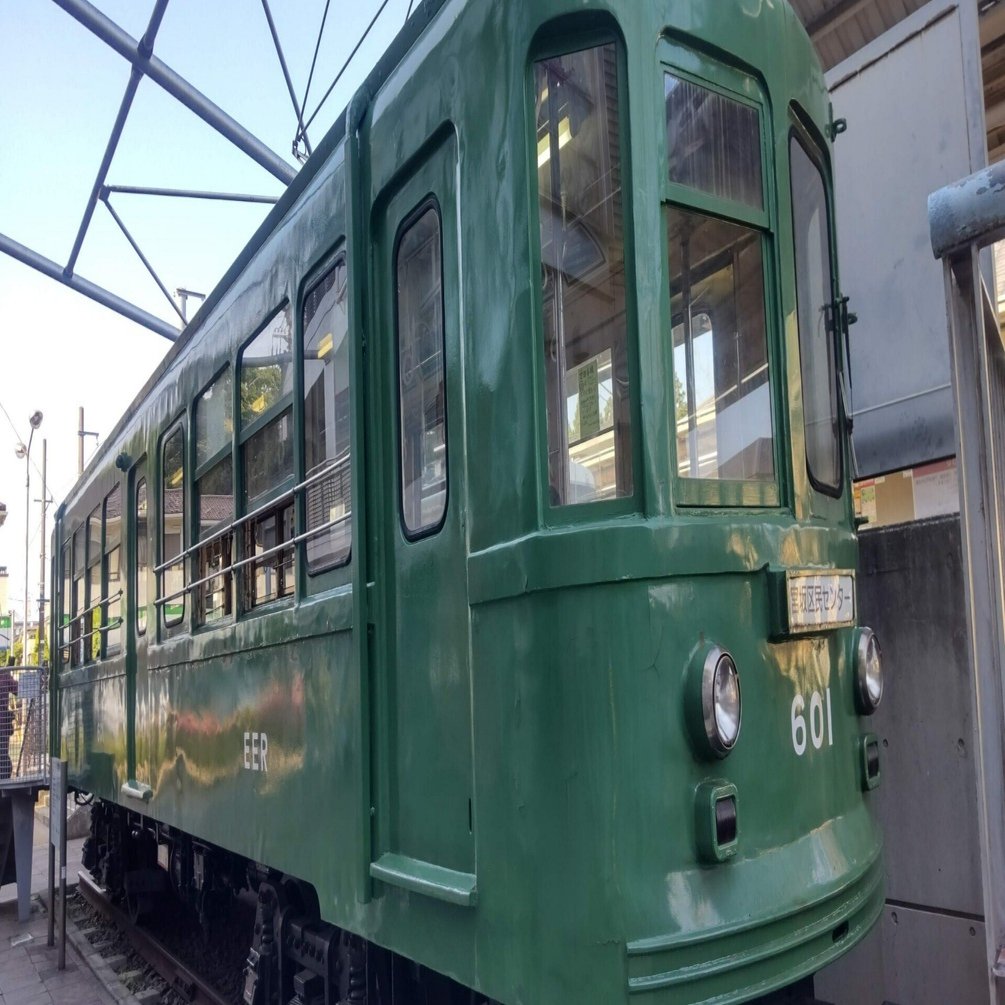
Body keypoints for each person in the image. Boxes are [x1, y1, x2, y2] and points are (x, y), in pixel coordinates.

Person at [0, 662, 18, 780]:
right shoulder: (3, 675)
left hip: (2, 723)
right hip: (2, 723)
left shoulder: (4, 675)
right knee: (2, 755)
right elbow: (19, 688)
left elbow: (18, 688)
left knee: (2, 755)